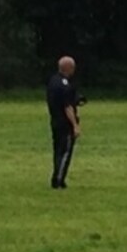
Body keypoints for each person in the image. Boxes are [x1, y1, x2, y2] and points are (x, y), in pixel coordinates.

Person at [46, 56, 83, 189]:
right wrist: (75, 125)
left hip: (55, 121)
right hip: (64, 123)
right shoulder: (65, 85)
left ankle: (57, 177)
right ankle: (58, 180)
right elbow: (68, 107)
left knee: (57, 151)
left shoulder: (53, 81)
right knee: (65, 152)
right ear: (69, 68)